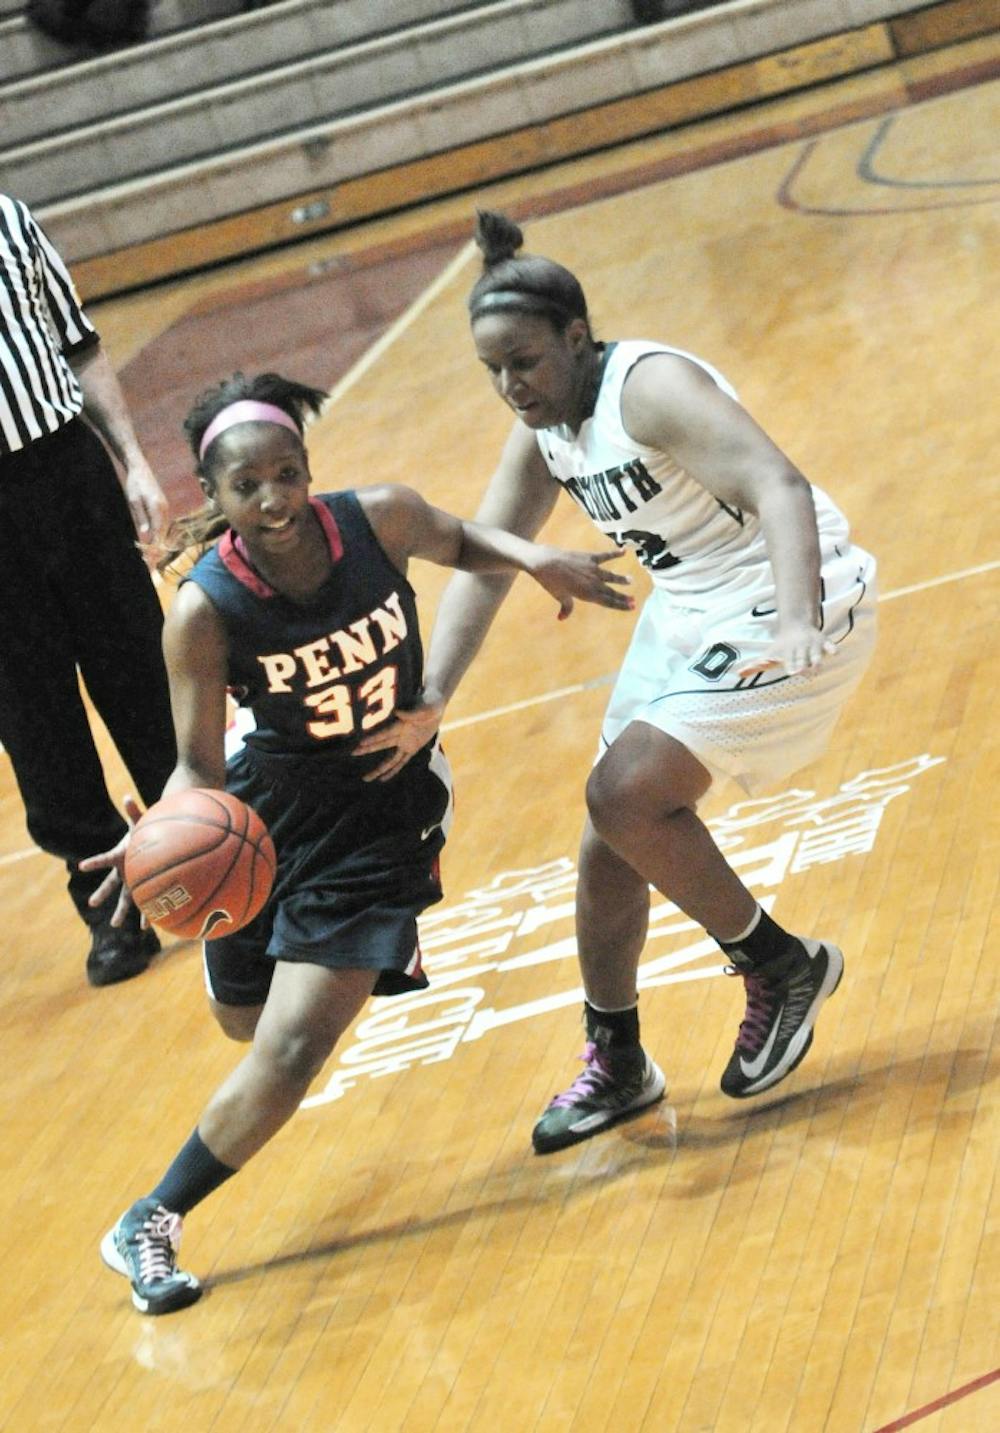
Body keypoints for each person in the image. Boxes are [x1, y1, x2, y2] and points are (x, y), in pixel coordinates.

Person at [82, 370, 632, 1314]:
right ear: (213, 498)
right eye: (247, 486)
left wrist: (532, 559)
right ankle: (214, 1123)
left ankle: (151, 1216)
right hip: (264, 817)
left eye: (288, 474)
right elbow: (197, 767)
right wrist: (155, 847)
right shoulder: (204, 613)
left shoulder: (378, 518)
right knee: (249, 1029)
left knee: (293, 1047)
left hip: (382, 816)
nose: (275, 499)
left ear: (308, 469)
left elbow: (459, 538)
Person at [355, 210, 878, 1154]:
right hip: (692, 605)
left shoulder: (652, 389)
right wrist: (433, 697)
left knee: (624, 793)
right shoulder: (546, 427)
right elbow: (486, 557)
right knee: (610, 841)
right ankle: (620, 1060)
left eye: (525, 361)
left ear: (577, 337)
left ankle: (780, 966)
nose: (512, 386)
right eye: (493, 370)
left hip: (787, 588)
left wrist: (798, 614)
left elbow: (779, 485)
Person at [0, 191, 176, 986]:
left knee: (142, 671)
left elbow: (78, 344)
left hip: (66, 472)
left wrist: (133, 459)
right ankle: (111, 908)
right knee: (35, 724)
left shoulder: (9, 217)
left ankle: (203, 854)